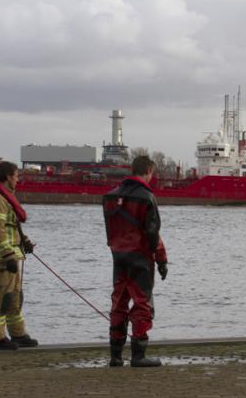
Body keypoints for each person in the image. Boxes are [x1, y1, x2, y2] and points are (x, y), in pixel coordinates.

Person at [102, 156, 168, 368]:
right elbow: (152, 234)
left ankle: (115, 355)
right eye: (152, 173)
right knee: (142, 304)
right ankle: (138, 355)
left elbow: (110, 230)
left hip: (118, 256)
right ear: (148, 170)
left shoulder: (110, 196)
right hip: (140, 258)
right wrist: (161, 261)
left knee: (118, 303)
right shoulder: (146, 197)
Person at [0, 161, 38, 350]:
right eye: (16, 176)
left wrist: (25, 242)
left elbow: (11, 226)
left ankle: (17, 333)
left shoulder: (5, 197)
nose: (18, 180)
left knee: (15, 296)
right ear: (7, 177)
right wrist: (7, 255)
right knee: (1, 296)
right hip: (2, 258)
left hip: (12, 254)